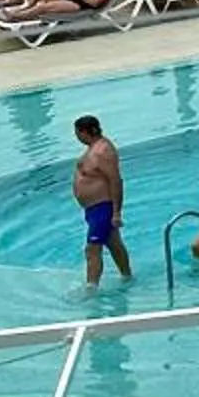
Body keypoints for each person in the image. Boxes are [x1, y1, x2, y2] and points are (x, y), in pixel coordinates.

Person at [71, 115, 132, 289]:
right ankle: (127, 277)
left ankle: (91, 288)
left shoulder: (103, 151)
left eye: (77, 133)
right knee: (113, 243)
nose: (77, 137)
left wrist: (116, 212)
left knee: (92, 249)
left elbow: (116, 181)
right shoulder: (94, 149)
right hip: (93, 209)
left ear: (84, 132)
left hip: (102, 207)